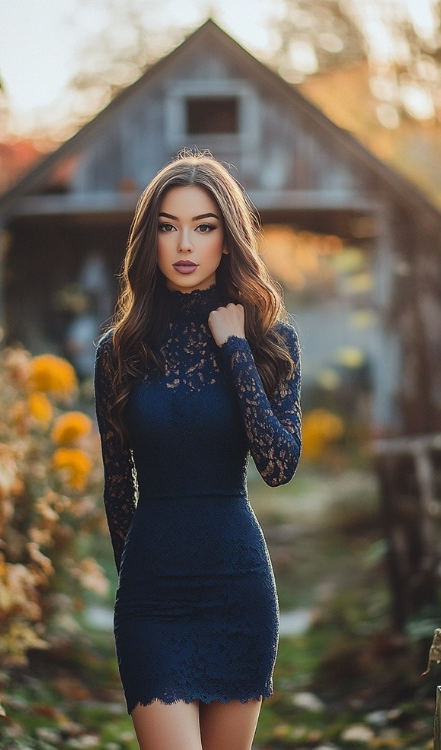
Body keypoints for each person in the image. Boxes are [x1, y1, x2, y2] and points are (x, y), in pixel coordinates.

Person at [94, 151, 302, 750]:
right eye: (168, 225)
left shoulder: (269, 342)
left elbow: (279, 465)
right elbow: (117, 490)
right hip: (152, 598)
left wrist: (236, 350)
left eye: (204, 226)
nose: (185, 242)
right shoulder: (120, 351)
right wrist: (135, 582)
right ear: (150, 238)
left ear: (227, 240)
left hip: (237, 587)